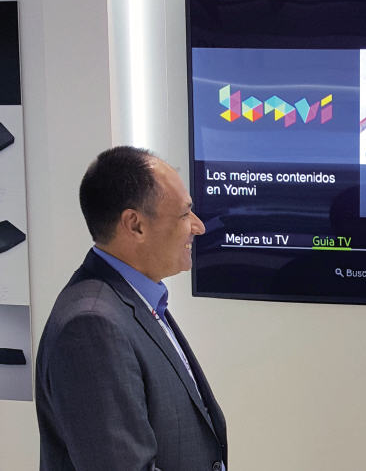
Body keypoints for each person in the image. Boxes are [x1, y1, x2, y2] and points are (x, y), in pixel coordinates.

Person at [35, 146, 228, 470]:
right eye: (184, 214)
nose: (198, 226)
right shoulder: (91, 325)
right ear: (135, 225)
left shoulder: (134, 301)